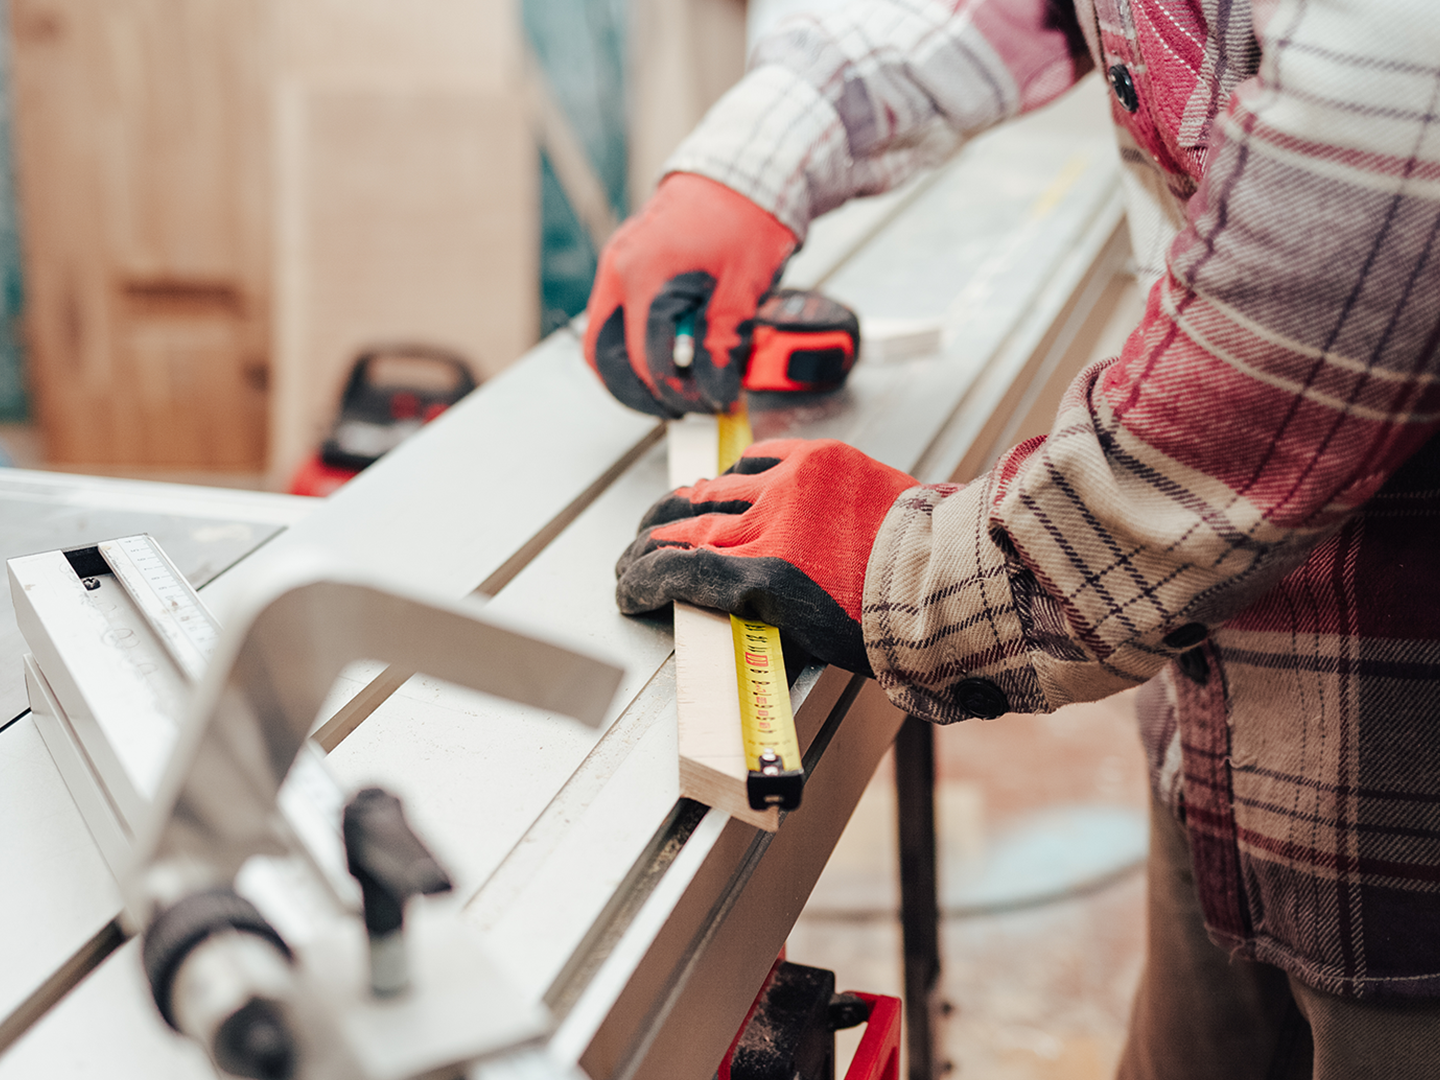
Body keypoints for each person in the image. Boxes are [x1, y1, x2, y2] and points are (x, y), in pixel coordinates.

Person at [584, 0, 1440, 1075]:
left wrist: (917, 571)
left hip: (1406, 811)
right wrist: (758, 156)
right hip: (1228, 714)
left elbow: (1354, 243)